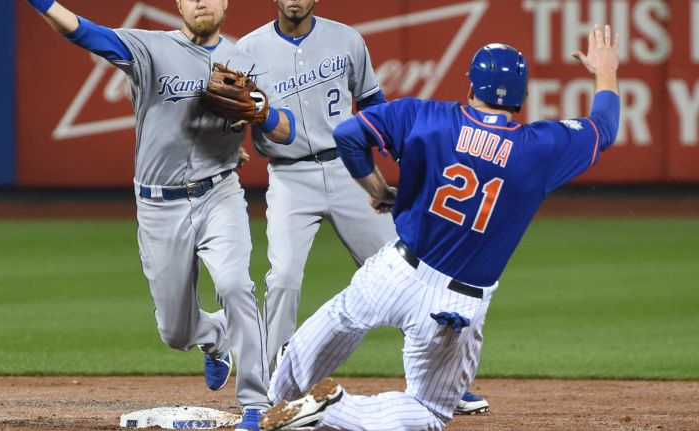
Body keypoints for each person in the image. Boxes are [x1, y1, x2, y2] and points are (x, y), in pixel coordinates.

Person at [259, 24, 621, 431]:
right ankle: (333, 410)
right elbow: (604, 128)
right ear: (521, 97)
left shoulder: (424, 117)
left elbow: (348, 135)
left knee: (343, 317)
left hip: (397, 270)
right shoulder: (541, 147)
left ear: (471, 87)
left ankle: (279, 400)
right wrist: (605, 71)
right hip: (456, 305)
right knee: (429, 411)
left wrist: (378, 188)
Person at [24, 1, 295, 430]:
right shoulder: (148, 48)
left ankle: (255, 403)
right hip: (158, 206)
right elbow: (83, 32)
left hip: (219, 194)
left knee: (235, 285)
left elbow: (287, 130)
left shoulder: (247, 61)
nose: (201, 1)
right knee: (175, 332)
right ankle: (214, 338)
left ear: (225, 2)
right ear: (179, 5)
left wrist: (262, 112)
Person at [236, 0, 489, 416]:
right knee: (281, 277)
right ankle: (269, 388)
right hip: (288, 176)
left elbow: (374, 106)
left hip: (345, 171)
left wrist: (405, 161)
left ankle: (440, 383)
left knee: (413, 273)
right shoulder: (248, 50)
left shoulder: (346, 39)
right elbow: (234, 116)